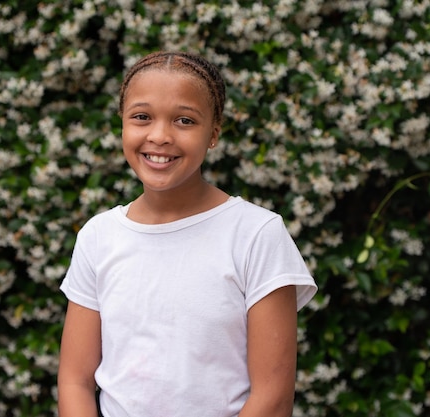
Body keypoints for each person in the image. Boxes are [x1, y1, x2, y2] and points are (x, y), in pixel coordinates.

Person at [57, 51, 317, 417]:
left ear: (213, 133)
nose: (160, 136)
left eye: (184, 120)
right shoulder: (98, 237)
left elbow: (272, 400)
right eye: (142, 117)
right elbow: (74, 381)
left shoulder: (257, 235)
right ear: (122, 124)